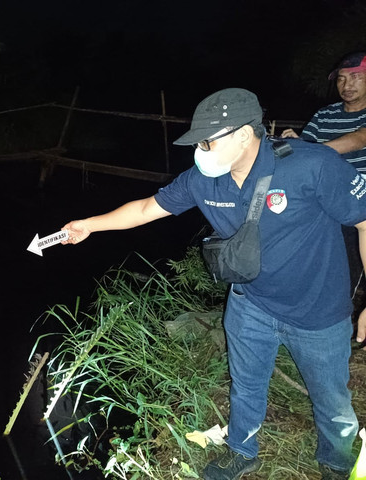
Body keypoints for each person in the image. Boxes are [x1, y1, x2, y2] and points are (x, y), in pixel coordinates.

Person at [61, 88, 366, 480]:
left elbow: (363, 221)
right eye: (197, 141)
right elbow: (144, 209)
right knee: (246, 384)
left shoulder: (313, 165)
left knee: (332, 398)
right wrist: (88, 225)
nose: (200, 150)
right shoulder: (203, 181)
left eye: (208, 140)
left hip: (319, 311)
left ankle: (336, 462)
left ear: (243, 134)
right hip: (250, 305)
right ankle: (242, 450)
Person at [282, 52, 366, 295]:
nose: (346, 85)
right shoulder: (325, 115)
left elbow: (359, 139)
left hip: (361, 195)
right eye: (341, 79)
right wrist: (291, 144)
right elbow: (300, 150)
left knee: (350, 258)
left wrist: (310, 151)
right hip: (323, 196)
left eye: (355, 77)